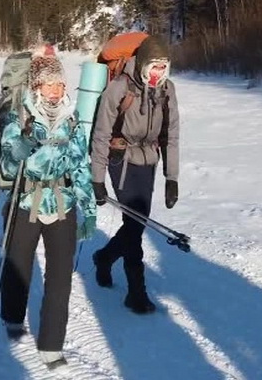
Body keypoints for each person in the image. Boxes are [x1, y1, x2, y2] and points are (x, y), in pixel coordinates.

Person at [0, 52, 97, 370]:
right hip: (26, 203)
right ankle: (13, 315)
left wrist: (89, 208)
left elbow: (81, 165)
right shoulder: (20, 118)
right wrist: (20, 149)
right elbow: (8, 166)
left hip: (63, 206)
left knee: (60, 279)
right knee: (19, 267)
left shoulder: (72, 120)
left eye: (59, 84)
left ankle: (52, 344)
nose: (54, 91)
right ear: (36, 86)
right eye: (48, 84)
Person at [89, 35, 180, 314]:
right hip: (121, 159)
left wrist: (171, 177)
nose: (158, 72)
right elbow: (101, 134)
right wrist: (97, 178)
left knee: (136, 223)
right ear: (141, 64)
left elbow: (171, 135)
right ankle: (136, 291)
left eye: (163, 67)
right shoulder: (118, 87)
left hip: (148, 160)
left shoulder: (167, 90)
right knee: (134, 223)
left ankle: (104, 257)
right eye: (154, 66)